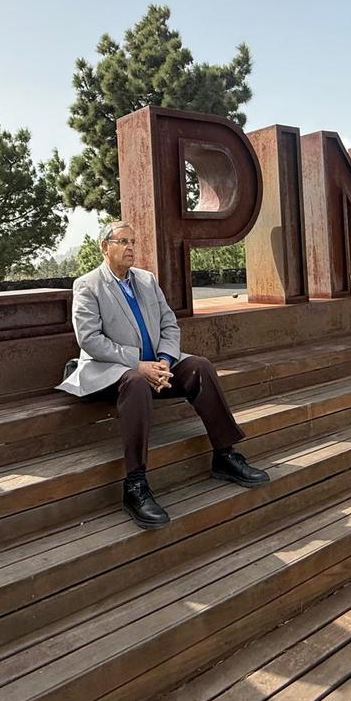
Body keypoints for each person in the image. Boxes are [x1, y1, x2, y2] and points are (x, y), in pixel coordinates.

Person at [56, 220, 269, 529]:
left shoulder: (146, 280)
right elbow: (90, 340)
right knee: (138, 382)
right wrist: (138, 364)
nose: (130, 247)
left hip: (157, 366)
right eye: (122, 241)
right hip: (112, 373)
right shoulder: (88, 286)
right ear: (105, 247)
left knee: (200, 368)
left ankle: (225, 454)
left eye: (133, 241)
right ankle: (135, 484)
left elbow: (170, 324)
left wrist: (166, 360)